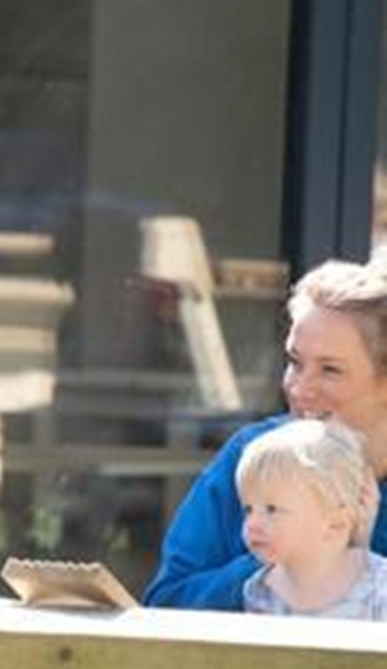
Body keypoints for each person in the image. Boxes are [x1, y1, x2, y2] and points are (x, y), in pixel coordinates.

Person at [144, 257, 387, 610]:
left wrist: (346, 560)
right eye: (295, 362)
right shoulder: (252, 454)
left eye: (330, 370)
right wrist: (276, 557)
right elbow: (166, 605)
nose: (300, 388)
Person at [237, 418, 387, 618]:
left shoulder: (378, 589)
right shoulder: (260, 592)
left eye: (271, 509)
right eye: (248, 509)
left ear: (335, 523)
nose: (252, 524)